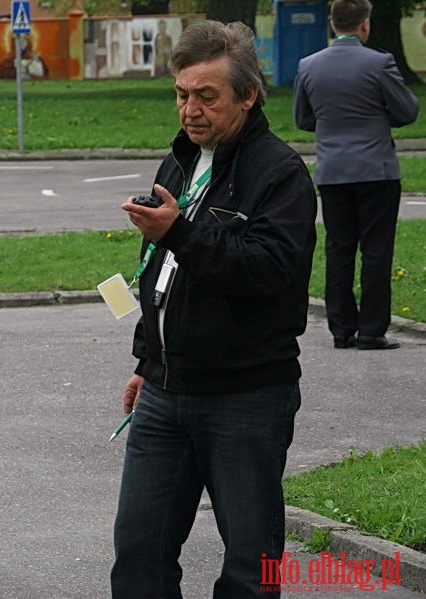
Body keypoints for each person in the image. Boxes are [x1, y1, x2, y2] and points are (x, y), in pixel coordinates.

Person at [111, 20, 317, 598]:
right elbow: (157, 274)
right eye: (182, 94)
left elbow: (268, 274)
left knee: (253, 570)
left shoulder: (279, 174)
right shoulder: (178, 162)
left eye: (207, 96)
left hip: (245, 397)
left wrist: (180, 231)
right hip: (165, 395)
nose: (191, 110)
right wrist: (144, 359)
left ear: (248, 96)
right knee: (139, 554)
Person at [293, 0, 420, 351]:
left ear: (333, 25)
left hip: (333, 171)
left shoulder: (308, 66)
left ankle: (341, 329)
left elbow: (303, 119)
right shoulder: (379, 62)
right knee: (377, 251)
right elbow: (407, 110)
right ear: (365, 24)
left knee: (338, 249)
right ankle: (371, 331)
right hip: (376, 169)